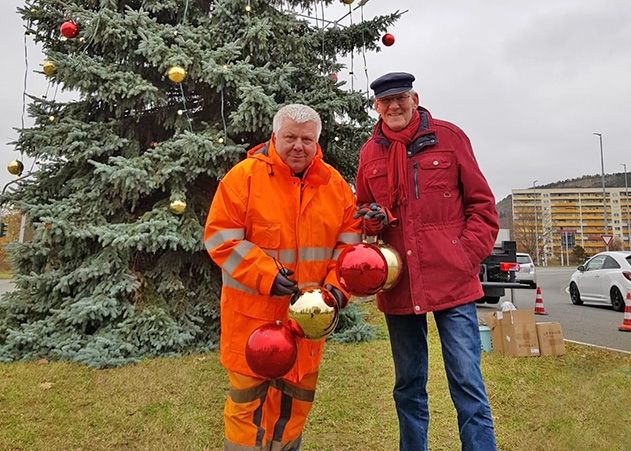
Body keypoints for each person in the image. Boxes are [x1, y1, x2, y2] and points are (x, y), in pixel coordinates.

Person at [355, 72, 498, 451]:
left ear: (415, 98)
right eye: (385, 101)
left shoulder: (449, 139)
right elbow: (361, 210)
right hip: (400, 286)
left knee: (467, 383)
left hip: (452, 281)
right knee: (408, 387)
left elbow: (483, 206)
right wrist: (371, 219)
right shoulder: (370, 153)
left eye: (400, 97)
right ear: (376, 107)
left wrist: (464, 256)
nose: (394, 106)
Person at [204, 103, 360, 450]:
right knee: (246, 413)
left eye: (307, 139)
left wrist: (334, 294)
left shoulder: (335, 187)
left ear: (317, 141)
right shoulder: (243, 178)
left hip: (307, 327)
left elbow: (349, 251)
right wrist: (265, 275)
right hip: (252, 325)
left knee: (294, 410)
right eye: (290, 137)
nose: (298, 146)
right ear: (274, 136)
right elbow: (220, 238)